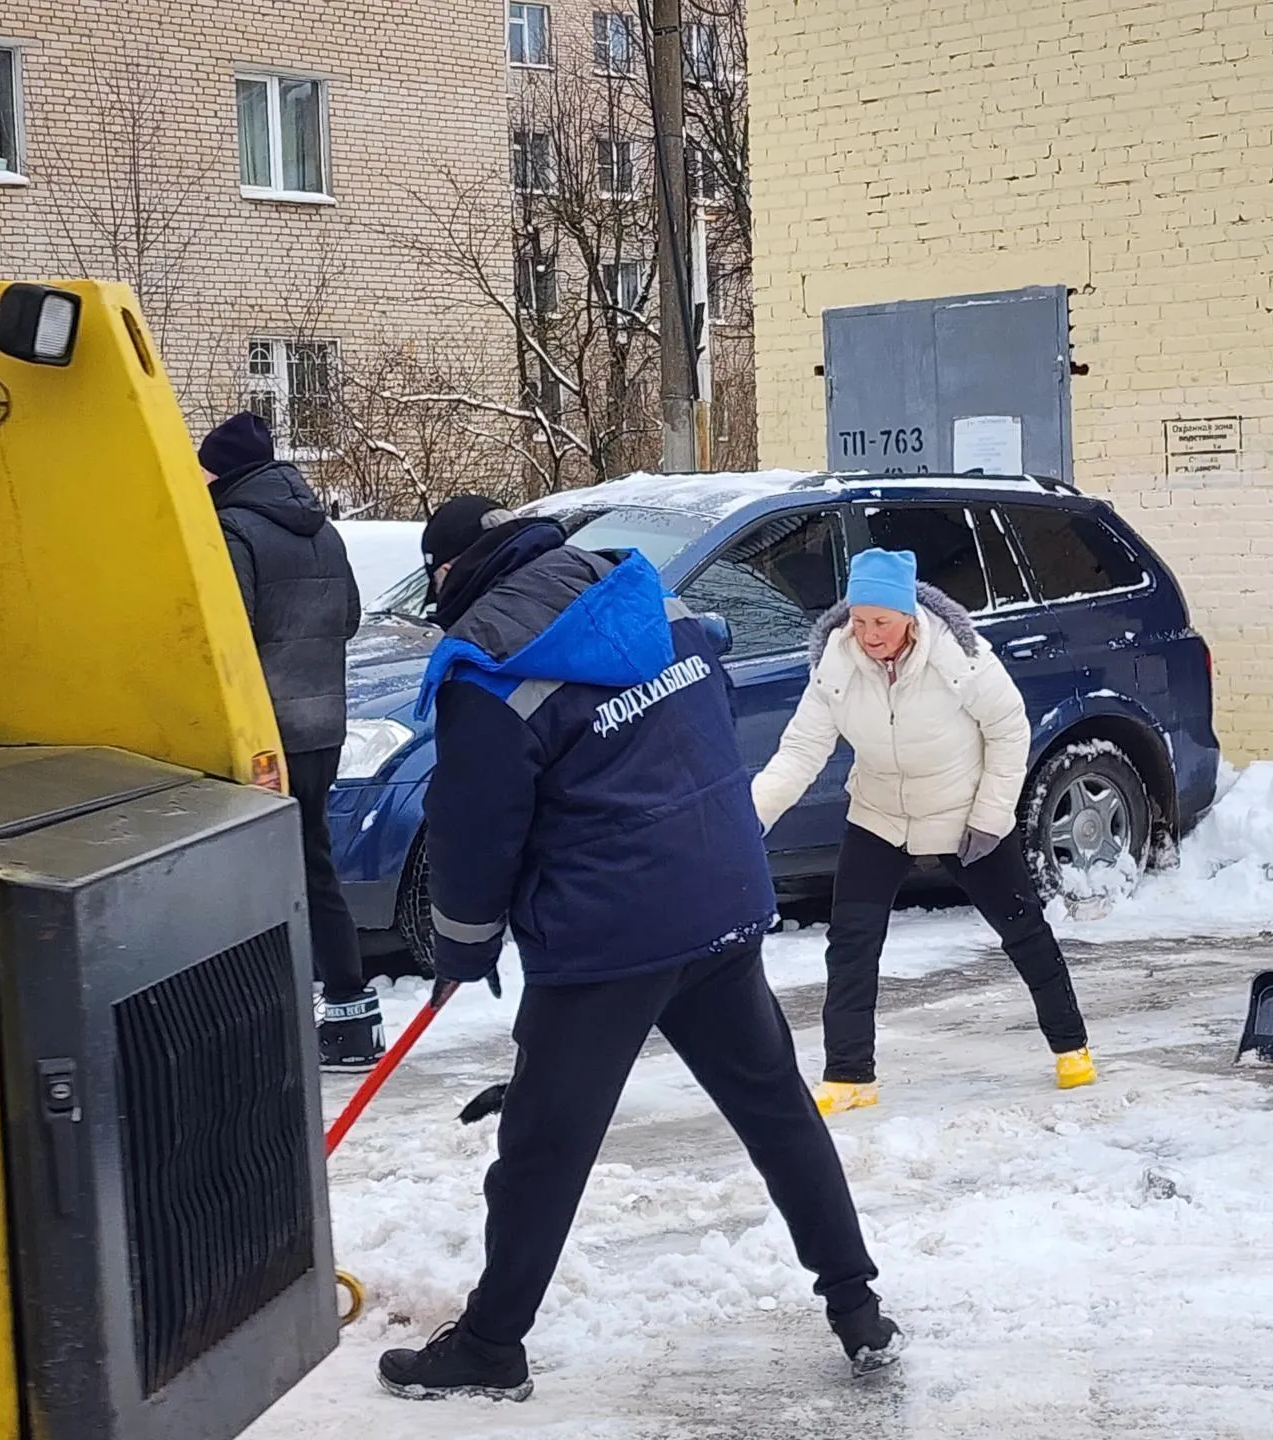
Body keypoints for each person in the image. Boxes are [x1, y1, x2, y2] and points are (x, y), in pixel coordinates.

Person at [377, 495, 902, 1403]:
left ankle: (493, 1346)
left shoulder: (484, 664)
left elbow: (474, 833)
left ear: (445, 577)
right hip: (719, 893)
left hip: (609, 932)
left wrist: (462, 947)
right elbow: (707, 702)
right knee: (775, 1110)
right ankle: (858, 1308)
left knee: (542, 1145)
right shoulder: (635, 589)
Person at [751, 548, 1096, 1117]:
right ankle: (849, 1074)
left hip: (963, 812)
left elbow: (1010, 729)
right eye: (858, 621)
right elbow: (800, 751)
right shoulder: (836, 664)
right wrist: (751, 819)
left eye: (881, 621)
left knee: (1023, 929)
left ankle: (1071, 1045)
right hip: (880, 813)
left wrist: (990, 817)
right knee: (852, 942)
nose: (868, 634)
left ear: (909, 614)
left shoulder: (960, 658)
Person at [199, 411, 383, 1071]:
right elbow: (351, 617)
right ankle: (351, 1013)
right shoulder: (323, 530)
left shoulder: (232, 531)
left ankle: (255, 1023)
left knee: (246, 878)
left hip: (258, 734)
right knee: (315, 864)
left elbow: (228, 632)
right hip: (320, 732)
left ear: (222, 472)